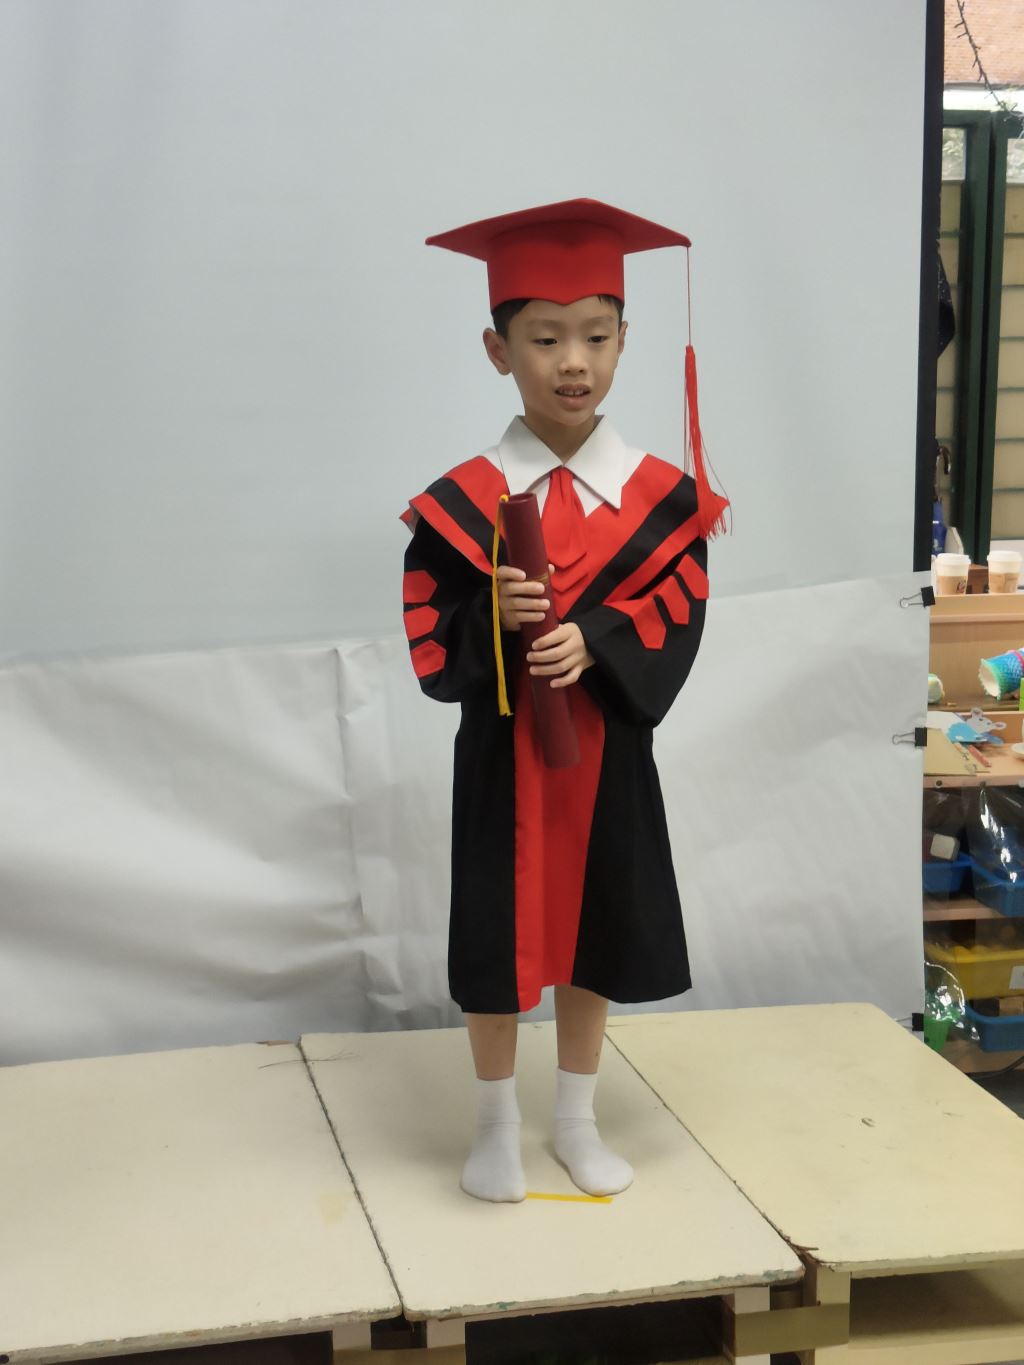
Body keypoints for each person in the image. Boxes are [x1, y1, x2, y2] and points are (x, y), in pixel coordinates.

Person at [400, 198, 728, 1203]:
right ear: (498, 349)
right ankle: (496, 1125)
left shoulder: (661, 499)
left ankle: (576, 1120)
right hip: (502, 764)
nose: (572, 361)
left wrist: (600, 640)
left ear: (626, 341)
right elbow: (431, 640)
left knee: (596, 930)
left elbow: (679, 607)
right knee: (497, 940)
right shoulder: (462, 503)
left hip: (606, 758)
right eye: (544, 338)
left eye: (595, 334)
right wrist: (492, 622)